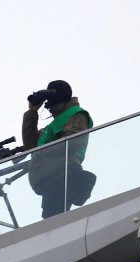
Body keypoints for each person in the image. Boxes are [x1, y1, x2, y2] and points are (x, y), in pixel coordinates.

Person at [22, 80, 96, 218]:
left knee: (53, 222)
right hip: (49, 175)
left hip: (61, 174)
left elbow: (72, 142)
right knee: (52, 220)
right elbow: (30, 146)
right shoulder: (53, 124)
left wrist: (41, 152)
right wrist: (32, 112)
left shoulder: (76, 114)